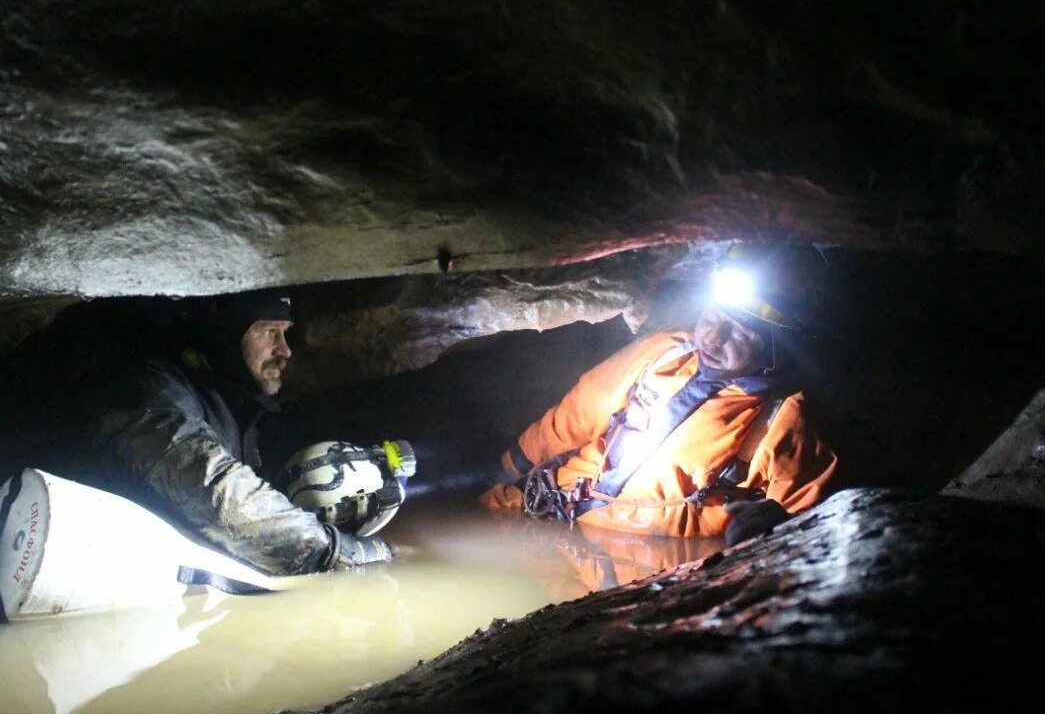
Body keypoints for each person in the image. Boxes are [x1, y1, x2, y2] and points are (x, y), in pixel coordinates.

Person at [479, 244, 838, 546]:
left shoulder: (786, 421)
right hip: (543, 506)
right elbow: (578, 412)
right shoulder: (668, 350)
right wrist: (510, 468)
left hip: (638, 561)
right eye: (712, 316)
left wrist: (772, 527)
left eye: (739, 333)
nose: (712, 338)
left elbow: (807, 523)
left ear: (777, 347)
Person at [84, 289, 394, 576]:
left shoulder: (233, 408)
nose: (285, 350)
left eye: (285, 333)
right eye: (269, 331)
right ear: (226, 336)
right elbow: (216, 494)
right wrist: (338, 551)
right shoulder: (154, 389)